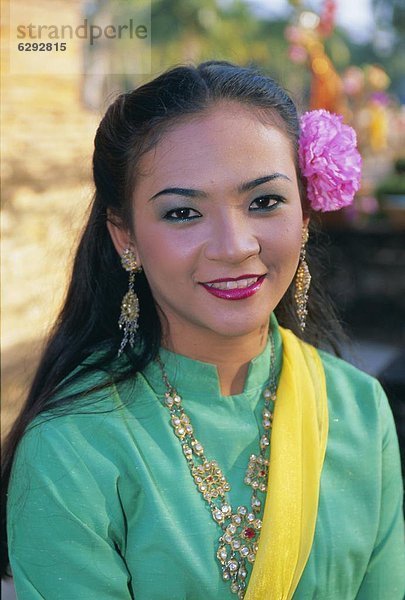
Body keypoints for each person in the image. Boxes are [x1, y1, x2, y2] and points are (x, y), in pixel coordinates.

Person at [1, 61, 404, 600]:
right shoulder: (72, 447)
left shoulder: (359, 407)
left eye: (265, 202)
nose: (235, 246)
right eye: (184, 212)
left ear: (304, 216)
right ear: (126, 238)